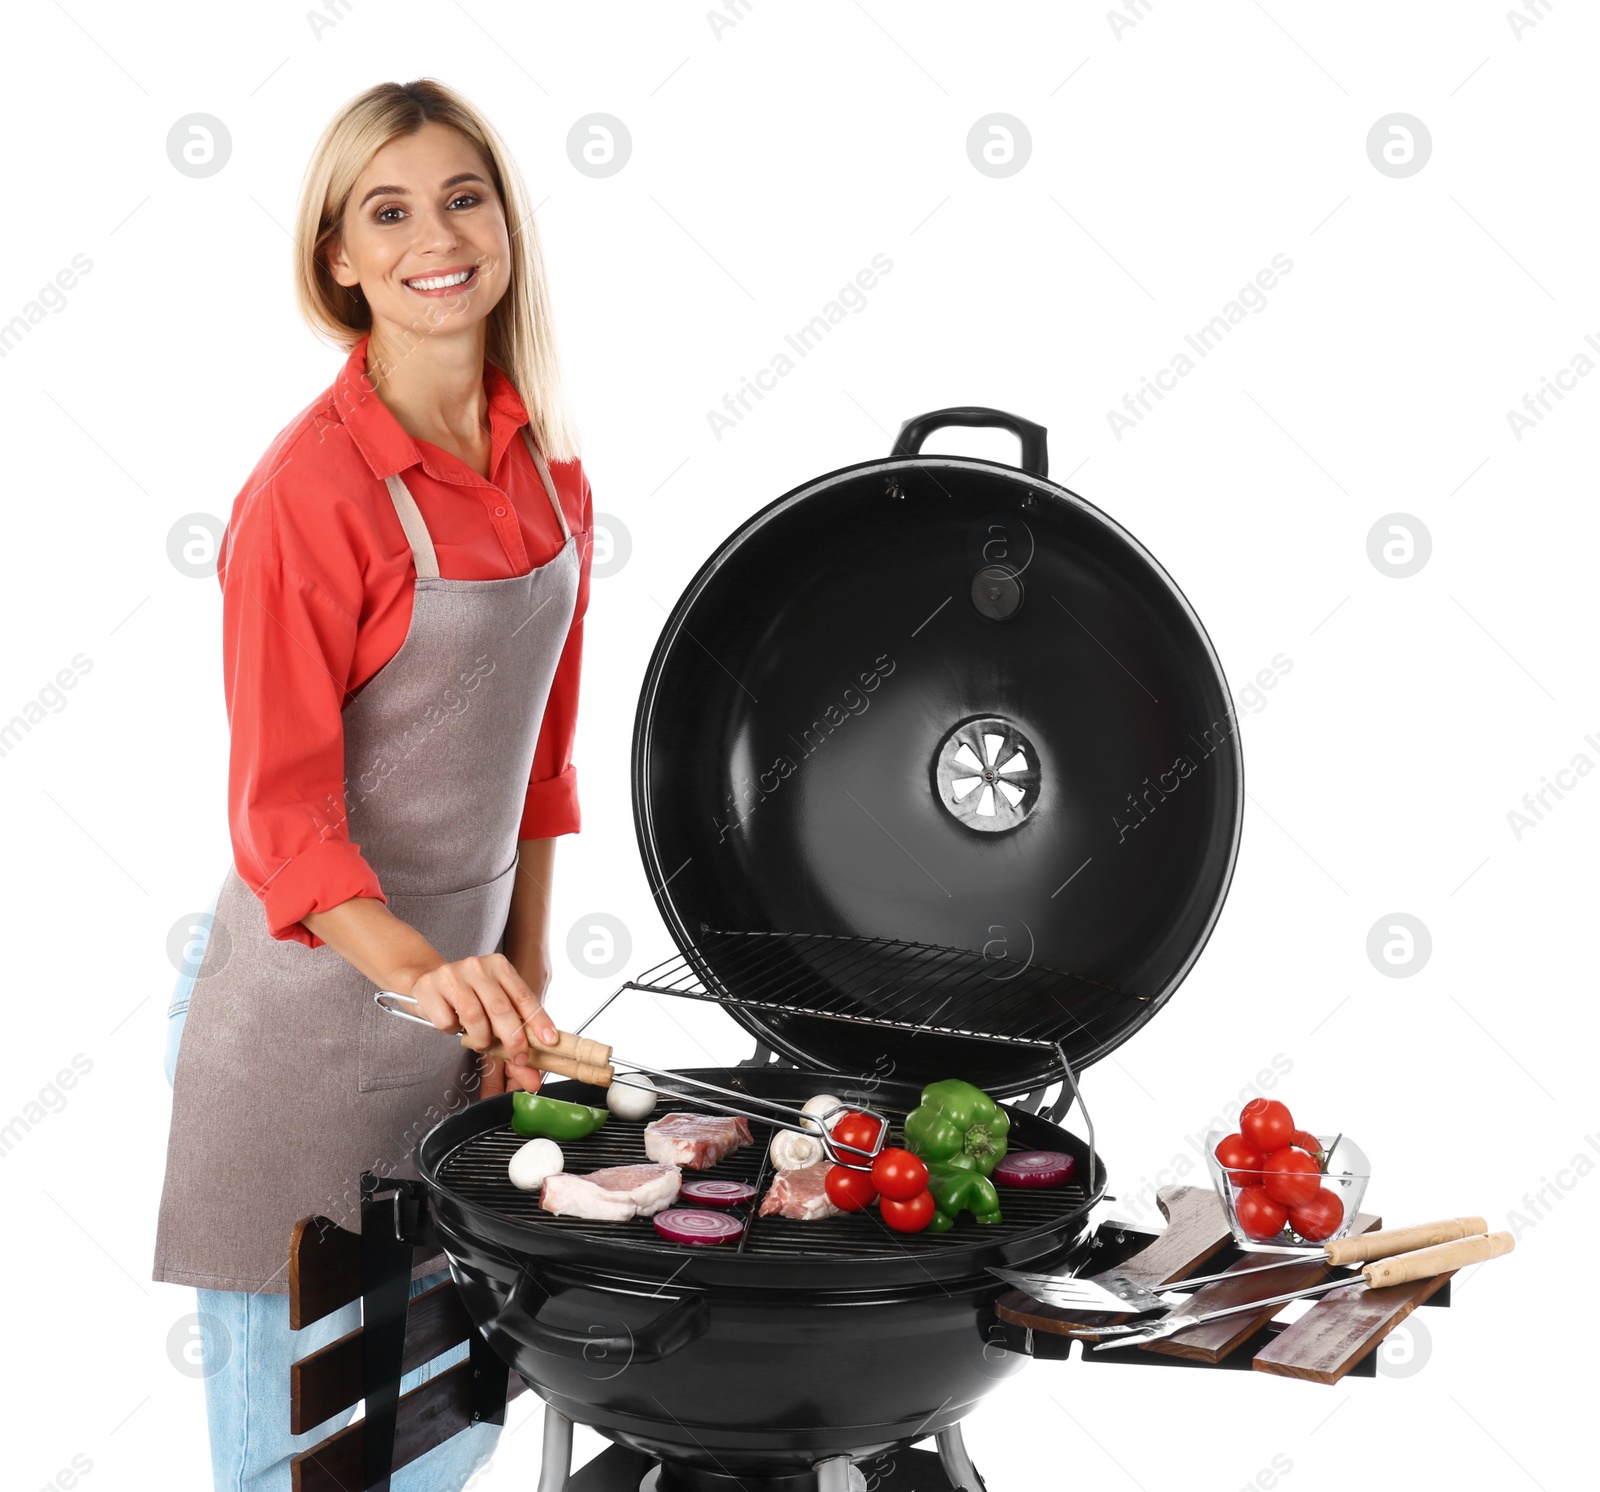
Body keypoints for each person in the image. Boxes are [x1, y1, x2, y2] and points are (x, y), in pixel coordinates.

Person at [153, 78, 593, 1491]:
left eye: (464, 196)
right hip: (296, 1041)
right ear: (337, 256)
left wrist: (514, 1002)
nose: (435, 238)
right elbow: (281, 819)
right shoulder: (311, 494)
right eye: (386, 212)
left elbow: (537, 775)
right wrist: (440, 976)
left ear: (507, 220)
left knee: (438, 1447)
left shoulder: (549, 473)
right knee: (300, 1477)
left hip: (453, 1038)